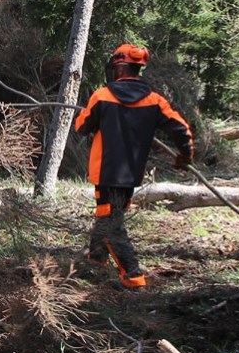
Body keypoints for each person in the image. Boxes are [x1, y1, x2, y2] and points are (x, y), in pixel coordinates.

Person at [71, 42, 193, 288]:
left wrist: (96, 118)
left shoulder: (102, 96)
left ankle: (133, 276)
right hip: (131, 173)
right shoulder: (154, 101)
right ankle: (96, 258)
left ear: (119, 68)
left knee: (111, 221)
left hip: (105, 172)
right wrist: (185, 155)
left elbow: (81, 127)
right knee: (108, 213)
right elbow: (181, 129)